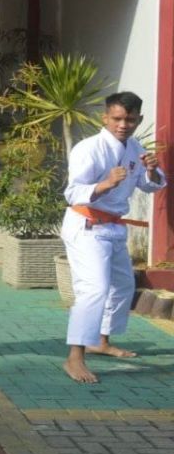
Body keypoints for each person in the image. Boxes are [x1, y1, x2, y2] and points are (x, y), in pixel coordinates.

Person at [62, 92, 165, 384]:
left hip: (114, 227)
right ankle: (74, 357)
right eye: (117, 118)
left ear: (139, 120)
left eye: (130, 119)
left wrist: (150, 170)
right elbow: (72, 193)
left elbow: (151, 185)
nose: (123, 124)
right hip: (86, 224)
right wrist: (104, 184)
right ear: (105, 117)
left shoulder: (135, 147)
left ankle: (100, 341)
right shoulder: (88, 148)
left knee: (122, 285)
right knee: (93, 289)